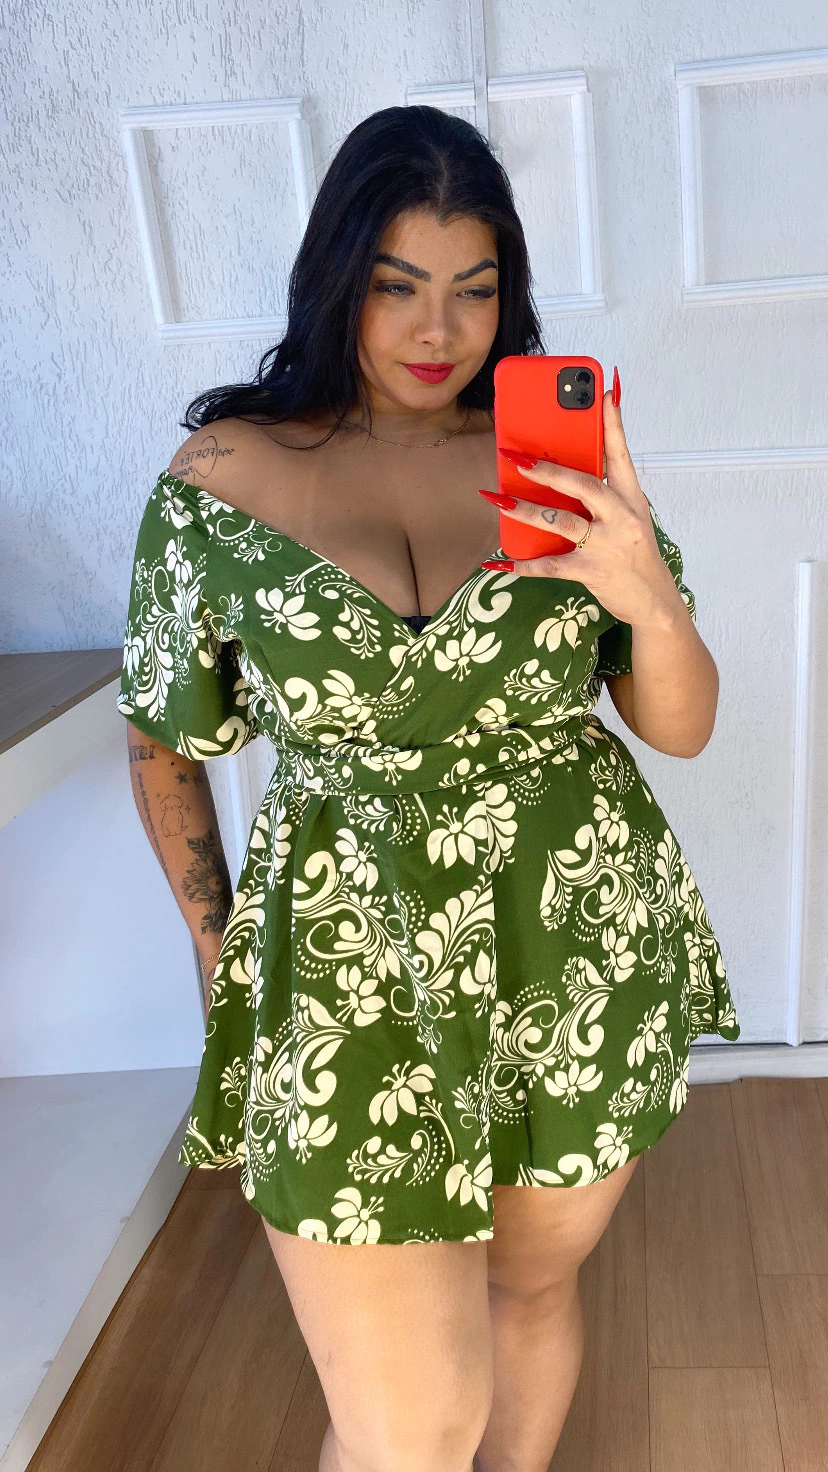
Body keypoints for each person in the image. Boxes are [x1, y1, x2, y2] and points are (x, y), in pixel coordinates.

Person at [118, 105, 740, 1472]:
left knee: (529, 1291)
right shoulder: (222, 479)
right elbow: (165, 739)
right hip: (342, 972)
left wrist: (642, 586)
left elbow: (679, 725)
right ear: (336, 278)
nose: (437, 330)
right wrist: (225, 964)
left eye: (475, 288)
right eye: (396, 285)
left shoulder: (564, 473)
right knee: (408, 1430)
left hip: (574, 945)